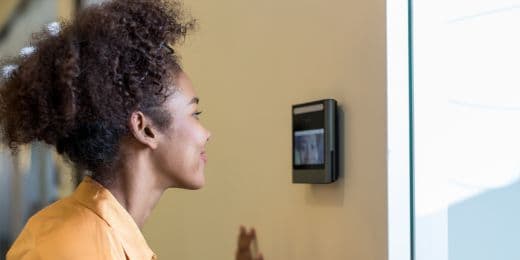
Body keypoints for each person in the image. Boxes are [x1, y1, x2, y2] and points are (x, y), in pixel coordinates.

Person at [1, 0, 263, 259]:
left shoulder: (105, 239)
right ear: (145, 129)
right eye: (195, 114)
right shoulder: (73, 247)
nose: (206, 133)